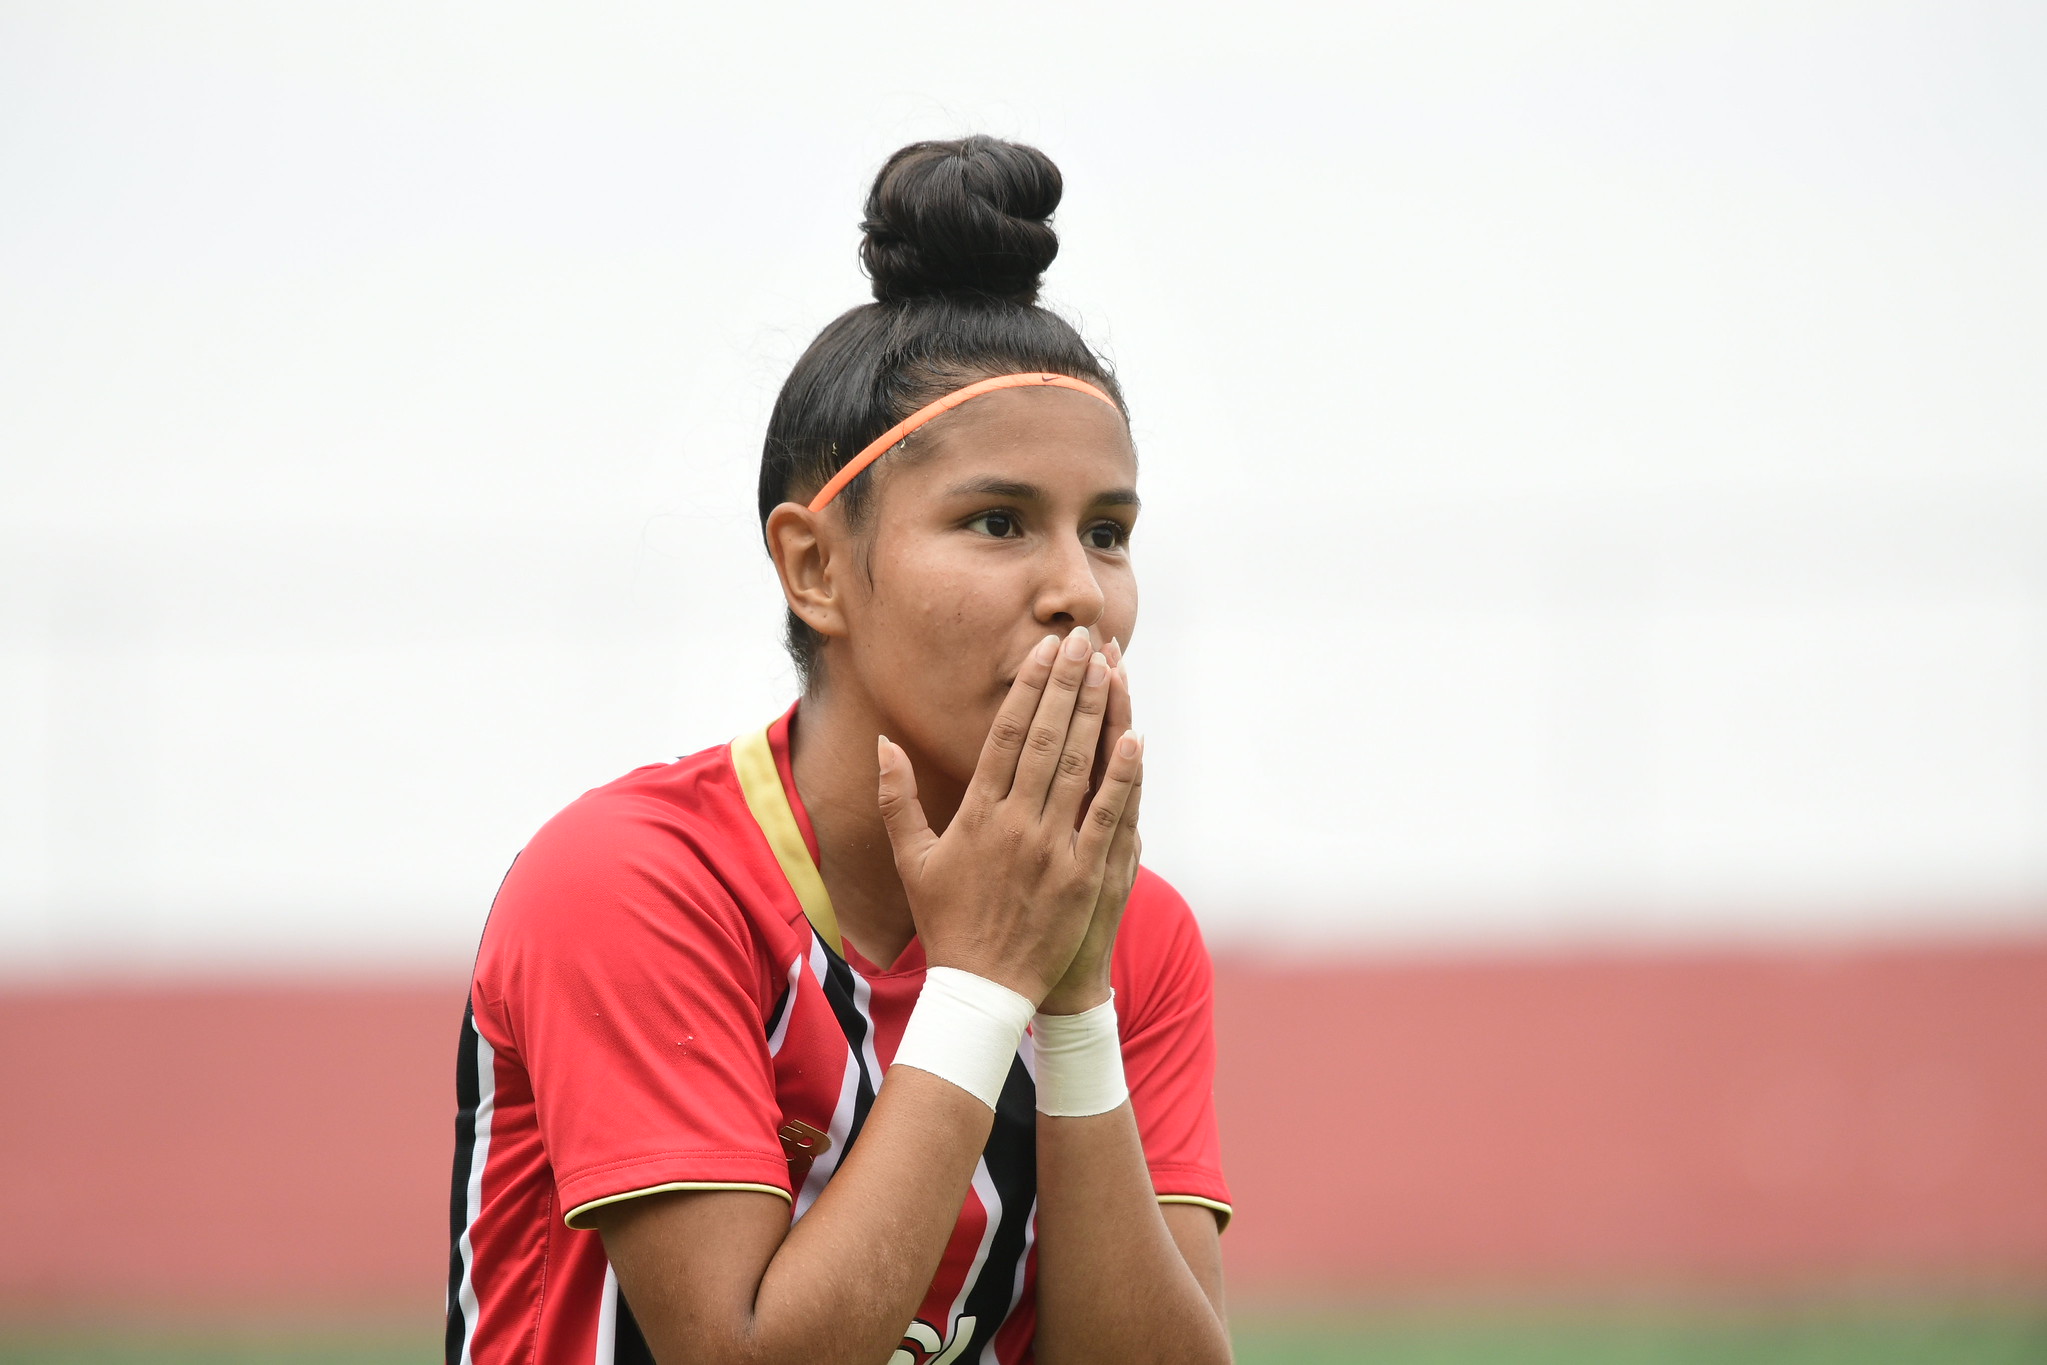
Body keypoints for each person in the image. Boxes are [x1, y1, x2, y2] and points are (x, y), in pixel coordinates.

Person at [445, 135, 1233, 1365]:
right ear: (815, 566)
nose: (1079, 590)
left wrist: (1073, 1006)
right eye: (996, 521)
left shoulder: (1132, 937)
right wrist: (982, 989)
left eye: (1110, 532)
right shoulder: (633, 885)